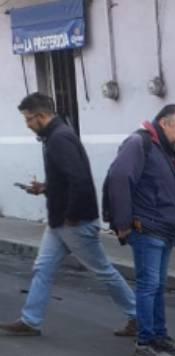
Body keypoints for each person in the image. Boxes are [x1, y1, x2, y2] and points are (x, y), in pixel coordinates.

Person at [0, 93, 137, 338]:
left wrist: (72, 216)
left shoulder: (59, 139)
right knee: (42, 268)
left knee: (104, 270)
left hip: (73, 222)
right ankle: (30, 321)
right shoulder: (56, 136)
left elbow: (79, 180)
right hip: (60, 222)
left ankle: (138, 316)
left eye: (29, 119)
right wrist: (45, 187)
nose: (28, 125)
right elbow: (66, 179)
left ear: (41, 116)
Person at [105, 104, 175, 356]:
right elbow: (120, 178)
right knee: (148, 285)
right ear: (164, 123)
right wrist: (122, 223)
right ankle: (144, 342)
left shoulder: (164, 149)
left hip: (163, 228)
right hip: (147, 226)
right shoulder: (138, 143)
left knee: (157, 286)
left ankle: (159, 335)